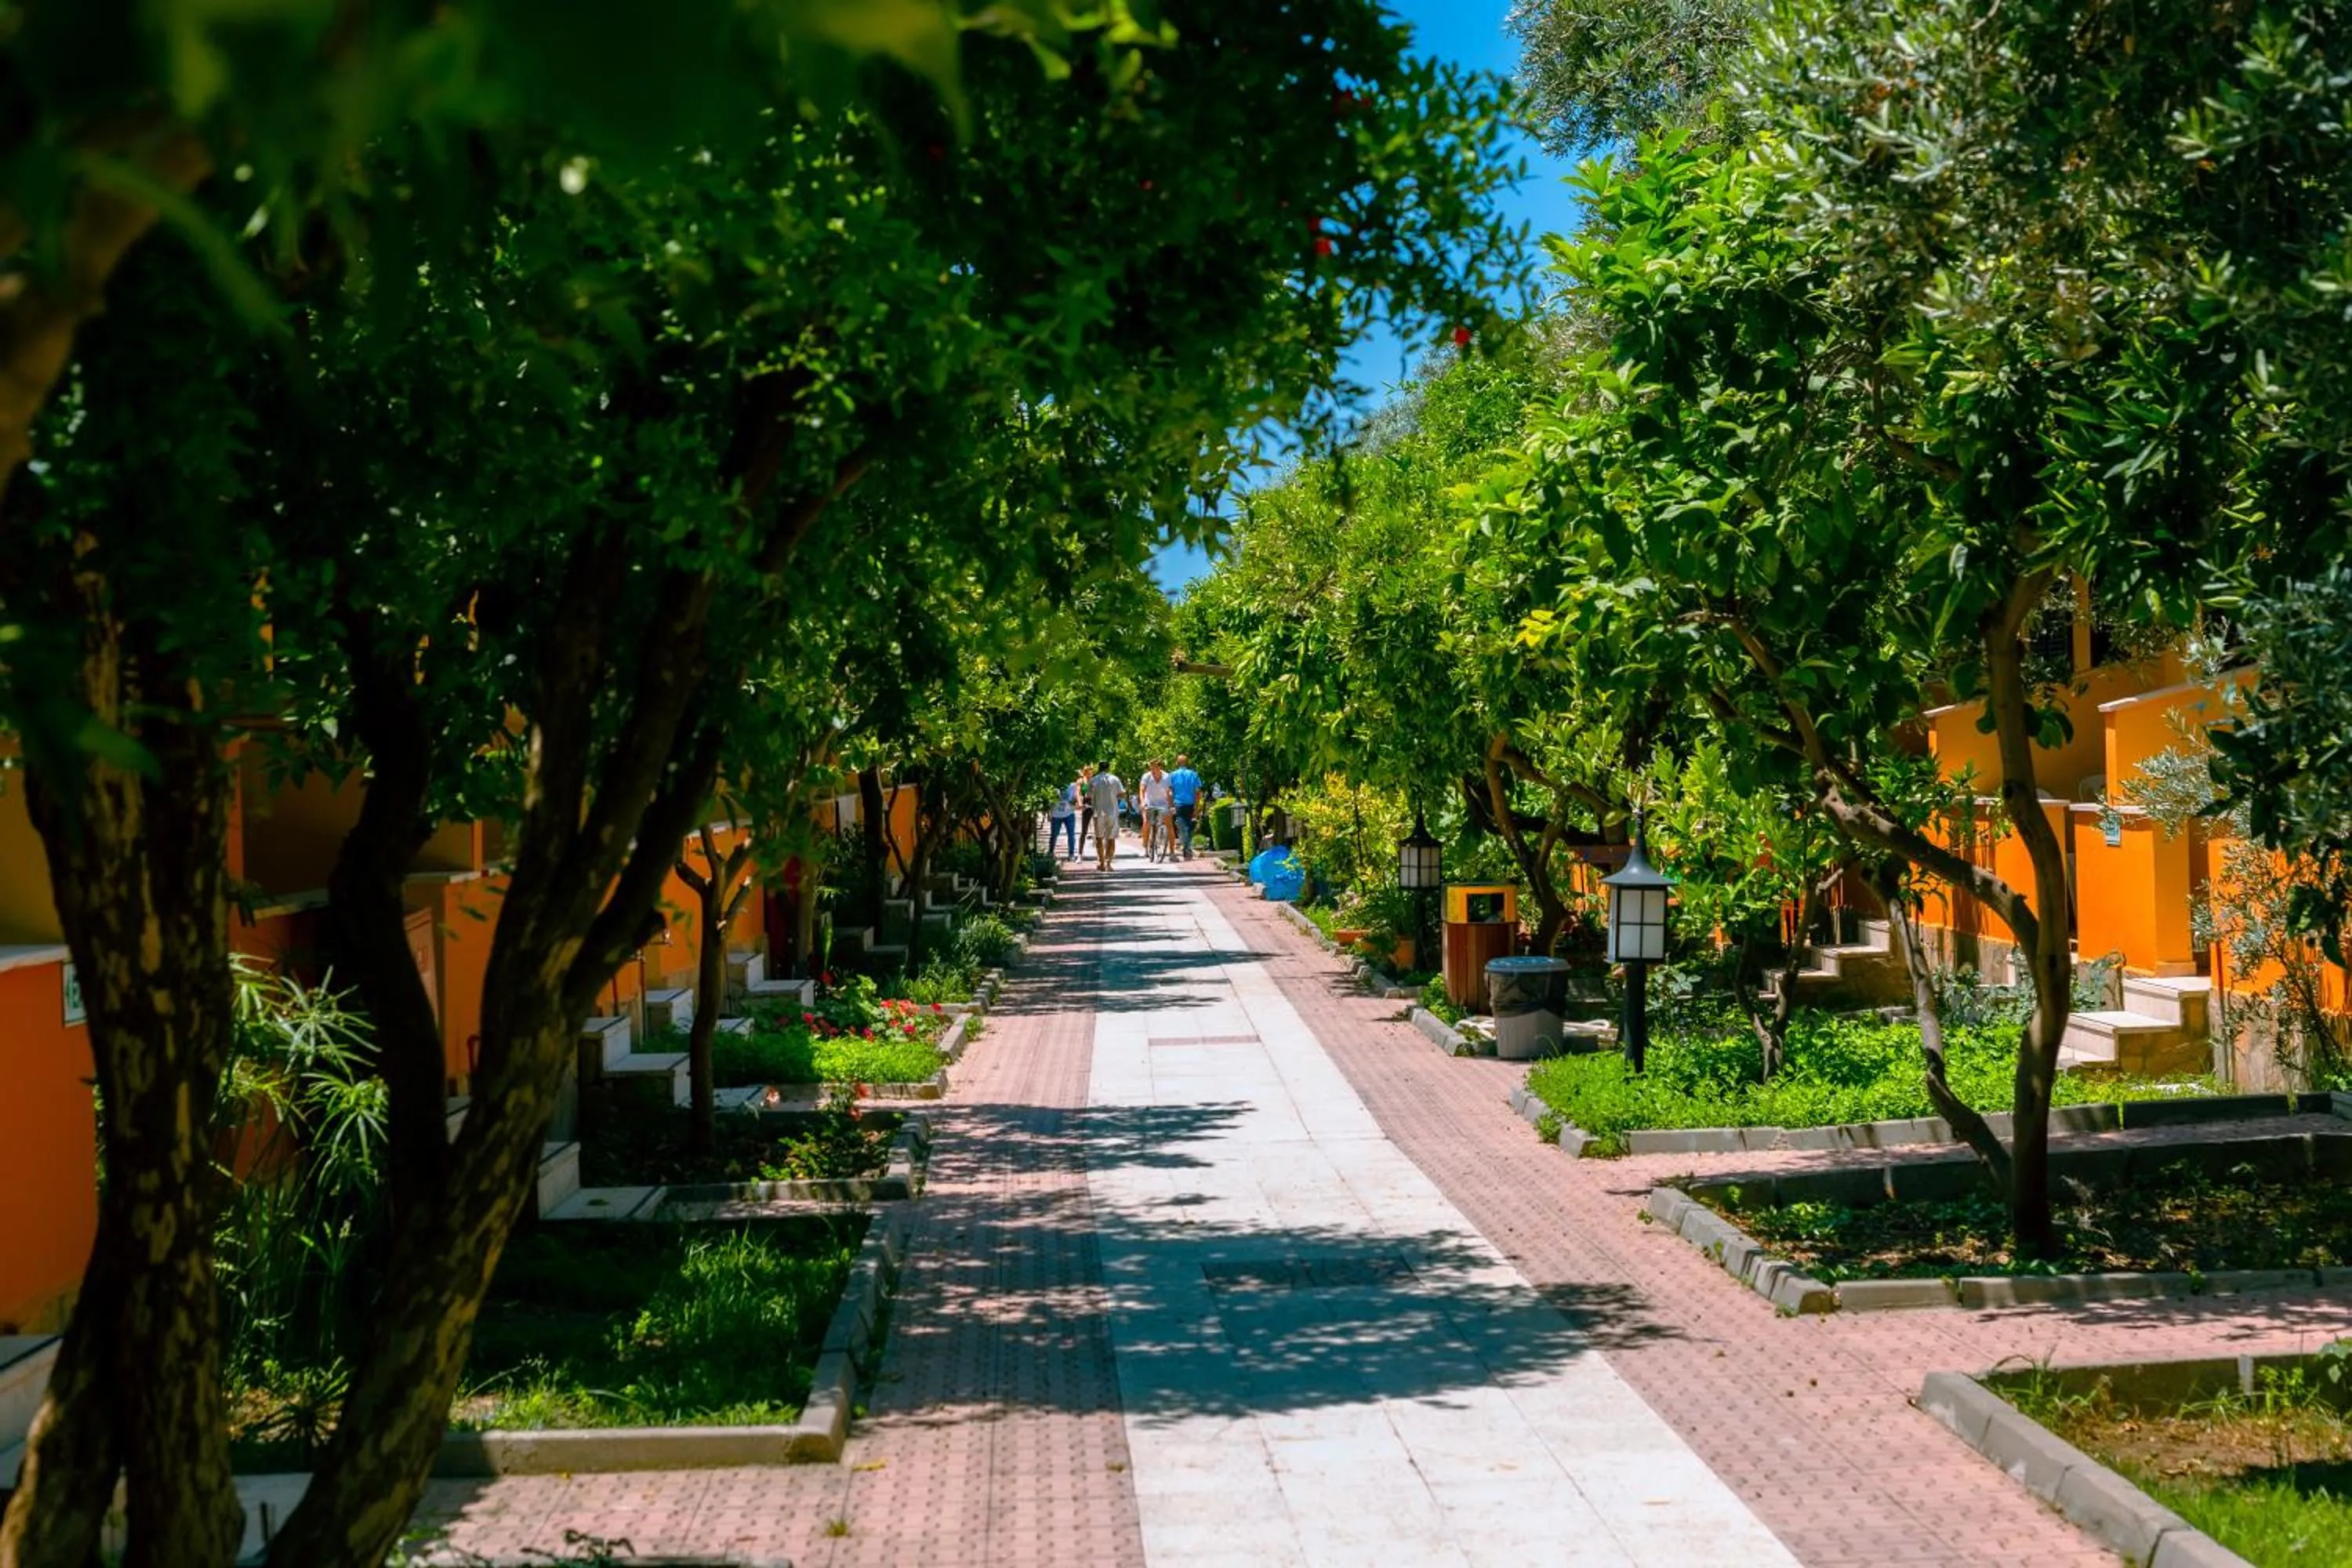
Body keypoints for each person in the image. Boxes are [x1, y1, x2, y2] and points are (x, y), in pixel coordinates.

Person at [1086, 764, 1126, 870]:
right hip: (1112, 812)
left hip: (1098, 812)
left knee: (1099, 838)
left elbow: (1088, 796)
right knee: (1111, 838)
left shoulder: (1094, 780)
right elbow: (1122, 794)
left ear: (1099, 769)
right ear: (1108, 768)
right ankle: (1108, 863)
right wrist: (1113, 795)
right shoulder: (1115, 779)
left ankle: (1102, 863)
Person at [1136, 760, 1174, 862]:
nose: (1152, 770)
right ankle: (1145, 847)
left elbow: (1169, 791)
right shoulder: (1147, 776)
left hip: (1163, 804)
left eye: (1155, 768)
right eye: (1151, 768)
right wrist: (1143, 802)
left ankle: (1172, 853)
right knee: (1146, 823)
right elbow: (1142, 790)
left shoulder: (1167, 777)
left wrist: (1171, 805)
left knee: (1169, 825)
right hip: (1150, 804)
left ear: (1160, 768)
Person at [1167, 753, 1204, 860]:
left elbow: (1170, 792)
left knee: (1183, 827)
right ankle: (1187, 849)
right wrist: (1197, 807)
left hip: (1178, 804)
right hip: (1190, 804)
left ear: (1177, 763)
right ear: (1187, 762)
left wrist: (1171, 805)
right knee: (1188, 827)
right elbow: (1197, 792)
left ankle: (1187, 849)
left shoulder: (1173, 775)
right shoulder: (1193, 775)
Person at [1048, 773, 1080, 861]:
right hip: (1056, 814)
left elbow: (1076, 799)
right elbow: (1051, 801)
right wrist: (1050, 813)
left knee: (1071, 835)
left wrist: (1074, 802)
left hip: (1069, 813)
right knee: (1054, 834)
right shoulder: (1054, 786)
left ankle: (1071, 854)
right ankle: (1050, 852)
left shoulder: (1073, 786)